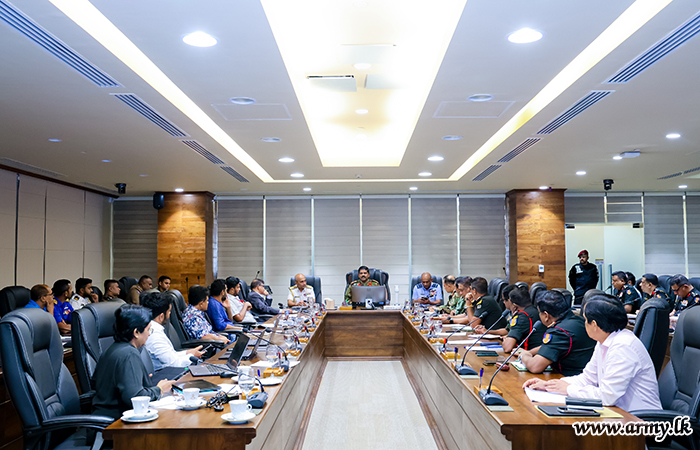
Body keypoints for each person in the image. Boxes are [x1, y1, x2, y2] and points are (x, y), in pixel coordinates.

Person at [523, 294, 662, 412]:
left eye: (586, 320)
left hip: (640, 422)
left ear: (594, 325)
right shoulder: (604, 341)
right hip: (618, 413)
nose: (584, 324)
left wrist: (569, 389)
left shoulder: (623, 347)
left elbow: (608, 396)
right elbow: (587, 378)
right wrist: (550, 386)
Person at [91, 305, 175, 420]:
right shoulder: (129, 354)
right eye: (148, 329)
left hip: (105, 416)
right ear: (136, 332)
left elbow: (97, 384)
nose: (149, 334)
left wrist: (138, 381)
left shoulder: (111, 349)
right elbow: (136, 399)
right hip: (116, 423)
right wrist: (159, 389)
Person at [519, 290, 595, 376]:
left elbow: (535, 366)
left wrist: (523, 356)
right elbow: (551, 346)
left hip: (569, 378)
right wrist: (530, 352)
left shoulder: (559, 331)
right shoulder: (578, 320)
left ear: (546, 315)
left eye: (539, 312)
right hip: (588, 377)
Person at [141, 291, 203, 370]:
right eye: (169, 311)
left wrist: (188, 352)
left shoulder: (152, 329)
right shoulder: (155, 335)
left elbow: (170, 356)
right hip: (166, 374)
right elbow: (174, 364)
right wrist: (192, 356)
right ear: (161, 316)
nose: (170, 314)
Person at [476, 286, 544, 353]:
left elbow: (507, 348)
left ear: (514, 306)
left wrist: (506, 340)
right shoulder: (534, 311)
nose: (504, 302)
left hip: (529, 355)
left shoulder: (522, 316)